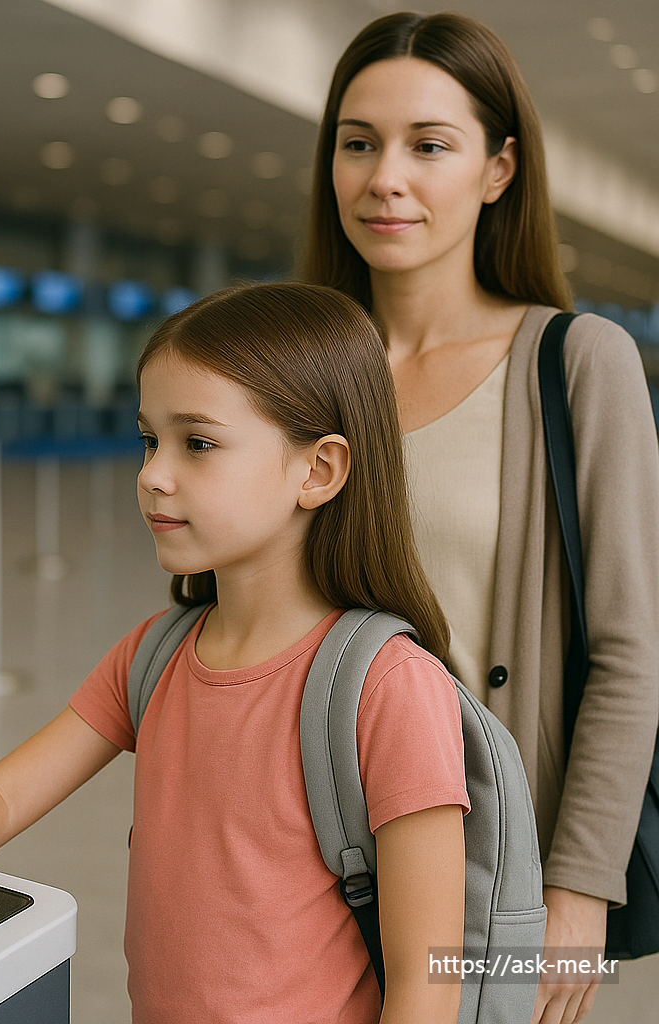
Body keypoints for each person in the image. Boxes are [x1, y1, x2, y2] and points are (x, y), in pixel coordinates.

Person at [0, 282, 470, 1024]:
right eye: (150, 439)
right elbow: (9, 793)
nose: (152, 474)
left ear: (319, 471)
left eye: (197, 443)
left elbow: (428, 984)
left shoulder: (389, 688)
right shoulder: (156, 656)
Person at [301, 11, 659, 1024]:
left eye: (429, 145)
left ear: (497, 170)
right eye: (358, 142)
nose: (385, 179)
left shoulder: (577, 362)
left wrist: (579, 887)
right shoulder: (301, 373)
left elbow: (631, 648)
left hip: (489, 871)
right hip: (314, 842)